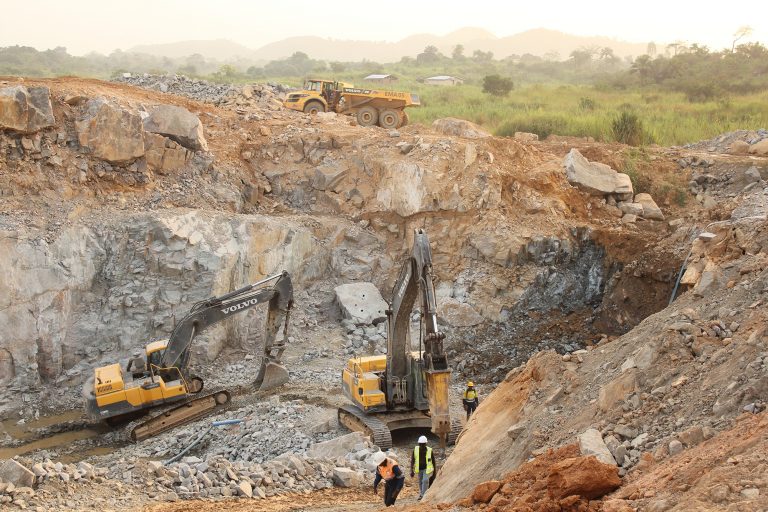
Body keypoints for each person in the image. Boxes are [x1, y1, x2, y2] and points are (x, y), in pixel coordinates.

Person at [410, 435, 437, 500]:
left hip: (426, 469)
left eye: (423, 444)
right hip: (419, 469)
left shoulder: (429, 450)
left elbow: (433, 461)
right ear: (419, 444)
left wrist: (434, 472)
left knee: (425, 480)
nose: (422, 445)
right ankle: (422, 493)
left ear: (426, 444)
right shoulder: (415, 449)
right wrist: (411, 470)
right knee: (420, 482)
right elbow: (412, 460)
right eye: (421, 444)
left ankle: (422, 495)